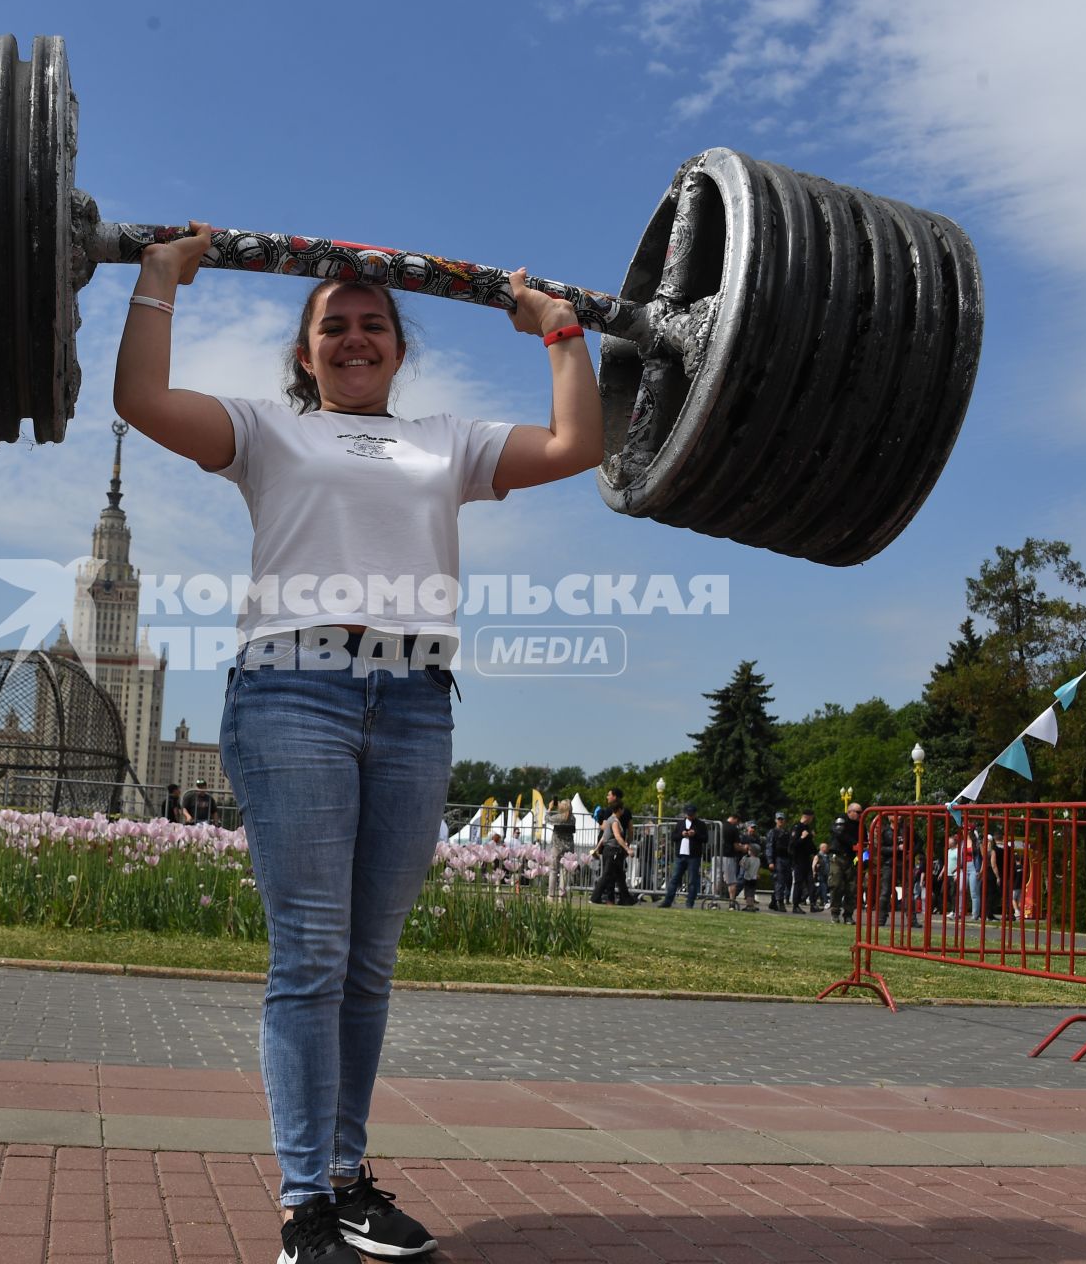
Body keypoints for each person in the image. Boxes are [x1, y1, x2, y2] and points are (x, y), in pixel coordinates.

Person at [113, 220, 599, 1264]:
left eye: (374, 323)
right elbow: (143, 402)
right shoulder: (265, 432)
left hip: (417, 700)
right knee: (313, 954)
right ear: (304, 352)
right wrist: (159, 282)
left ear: (400, 347)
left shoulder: (448, 442)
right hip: (295, 691)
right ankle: (304, 1212)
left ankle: (346, 1176)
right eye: (334, 325)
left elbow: (575, 446)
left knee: (369, 961)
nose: (355, 337)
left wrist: (560, 332)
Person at [591, 788, 637, 906]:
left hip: (611, 849)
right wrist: (627, 848)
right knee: (608, 875)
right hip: (614, 850)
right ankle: (595, 897)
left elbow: (604, 835)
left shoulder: (610, 817)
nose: (607, 797)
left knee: (619, 875)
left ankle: (626, 899)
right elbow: (618, 835)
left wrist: (597, 848)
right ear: (620, 809)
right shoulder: (615, 821)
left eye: (609, 795)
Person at [658, 802, 706, 908]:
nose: (690, 816)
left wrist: (695, 834)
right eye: (688, 814)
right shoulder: (680, 824)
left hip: (694, 856)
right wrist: (681, 834)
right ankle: (667, 901)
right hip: (680, 855)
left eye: (692, 814)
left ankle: (690, 903)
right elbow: (673, 837)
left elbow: (705, 838)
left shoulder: (700, 825)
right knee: (674, 878)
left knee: (692, 880)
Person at [828, 801, 862, 923]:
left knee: (851, 888)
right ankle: (835, 912)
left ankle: (848, 914)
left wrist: (863, 857)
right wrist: (854, 843)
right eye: (858, 812)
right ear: (849, 812)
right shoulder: (841, 820)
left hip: (852, 858)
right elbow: (839, 833)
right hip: (838, 856)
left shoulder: (861, 825)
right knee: (836, 884)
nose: (860, 814)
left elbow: (864, 842)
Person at [766, 812, 791, 911]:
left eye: (782, 819)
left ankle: (773, 901)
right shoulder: (773, 832)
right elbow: (769, 847)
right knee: (779, 881)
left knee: (785, 881)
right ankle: (780, 902)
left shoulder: (787, 832)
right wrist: (770, 861)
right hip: (778, 859)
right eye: (779, 819)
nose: (780, 821)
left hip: (786, 859)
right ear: (776, 820)